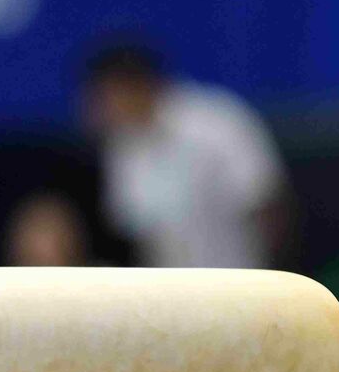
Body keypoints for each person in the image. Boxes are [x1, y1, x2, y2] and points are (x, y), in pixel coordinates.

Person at [80, 41, 291, 269]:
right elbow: (133, 230)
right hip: (169, 285)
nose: (96, 110)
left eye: (102, 98)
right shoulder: (120, 145)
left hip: (241, 278)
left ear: (131, 88)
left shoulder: (216, 121)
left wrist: (272, 276)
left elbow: (266, 202)